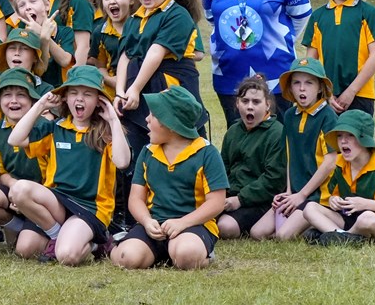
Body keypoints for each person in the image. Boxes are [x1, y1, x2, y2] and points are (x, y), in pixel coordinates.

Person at [5, 66, 131, 265]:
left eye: (87, 94)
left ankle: (96, 243)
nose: (79, 99)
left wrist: (113, 119)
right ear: (65, 98)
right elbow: (14, 139)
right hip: (58, 202)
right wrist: (40, 105)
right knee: (24, 244)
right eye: (73, 93)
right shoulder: (56, 128)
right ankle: (56, 235)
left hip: (90, 208)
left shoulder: (107, 132)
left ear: (99, 100)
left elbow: (123, 162)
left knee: (67, 256)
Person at [112, 86, 229, 270]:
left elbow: (216, 203)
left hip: (193, 225)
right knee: (127, 257)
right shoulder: (148, 151)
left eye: (153, 115)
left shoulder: (207, 153)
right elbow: (135, 199)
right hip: (155, 225)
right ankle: (153, 251)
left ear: (171, 124)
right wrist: (146, 221)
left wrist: (183, 223)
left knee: (186, 256)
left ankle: (199, 253)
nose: (147, 119)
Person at [115, 0, 208, 166]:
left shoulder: (177, 15)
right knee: (140, 156)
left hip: (168, 92)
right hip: (136, 96)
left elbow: (155, 53)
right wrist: (121, 91)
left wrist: (136, 88)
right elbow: (125, 56)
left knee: (182, 151)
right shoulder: (134, 18)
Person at [301, 111, 375, 246]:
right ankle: (342, 236)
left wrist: (365, 204)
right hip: (350, 219)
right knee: (310, 208)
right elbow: (333, 196)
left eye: (350, 135)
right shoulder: (340, 164)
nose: (343, 141)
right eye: (339, 136)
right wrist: (333, 200)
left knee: (366, 218)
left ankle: (336, 236)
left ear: (364, 139)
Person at [0, 68, 48, 250]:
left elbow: (55, 176)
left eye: (21, 95)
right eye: (7, 95)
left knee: (24, 250)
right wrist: (14, 188)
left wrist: (25, 197)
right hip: (15, 192)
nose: (13, 100)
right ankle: (17, 227)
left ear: (32, 101)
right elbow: (1, 173)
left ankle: (47, 234)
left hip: (44, 197)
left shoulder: (44, 127)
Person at [268, 57, 340, 241]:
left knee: (283, 236)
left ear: (320, 88)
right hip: (297, 194)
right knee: (258, 232)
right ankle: (311, 228)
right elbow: (290, 155)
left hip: (317, 197)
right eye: (296, 83)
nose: (302, 88)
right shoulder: (291, 115)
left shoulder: (327, 116)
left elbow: (331, 162)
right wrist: (290, 192)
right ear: (290, 87)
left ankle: (319, 226)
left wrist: (302, 195)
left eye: (309, 83)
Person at [216, 75, 286, 240]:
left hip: (259, 201)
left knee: (225, 227)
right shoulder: (233, 131)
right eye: (245, 101)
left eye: (256, 102)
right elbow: (222, 168)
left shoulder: (277, 133)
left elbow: (274, 180)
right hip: (230, 196)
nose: (250, 107)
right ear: (237, 103)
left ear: (267, 104)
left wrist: (240, 199)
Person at [37, 0, 96, 86]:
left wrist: (76, 80)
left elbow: (83, 46)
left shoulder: (78, 2)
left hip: (63, 79)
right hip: (38, 77)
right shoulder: (33, 0)